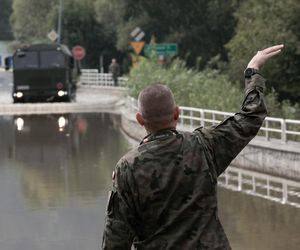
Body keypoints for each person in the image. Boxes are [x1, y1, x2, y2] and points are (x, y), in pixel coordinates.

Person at [102, 44, 284, 249]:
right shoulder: (204, 145)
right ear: (177, 113)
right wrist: (252, 71)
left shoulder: (127, 168)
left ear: (139, 120)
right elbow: (251, 117)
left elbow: (115, 241)